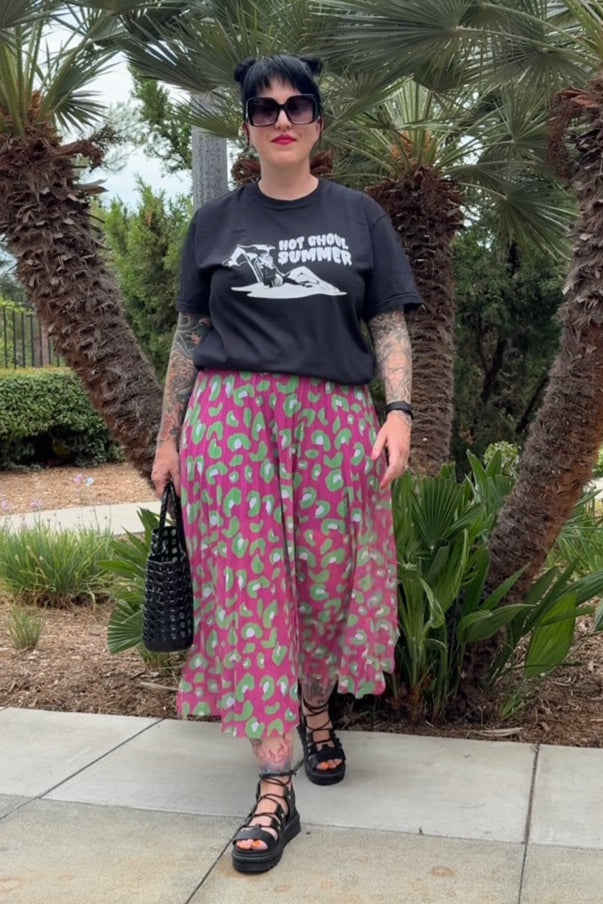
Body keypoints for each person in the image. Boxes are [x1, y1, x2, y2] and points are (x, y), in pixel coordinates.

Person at [151, 53, 421, 874]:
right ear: (246, 126)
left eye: (295, 105)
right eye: (263, 108)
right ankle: (275, 784)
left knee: (326, 583)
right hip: (230, 420)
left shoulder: (359, 215)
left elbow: (387, 323)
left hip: (334, 419)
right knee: (249, 589)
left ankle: (314, 708)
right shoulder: (214, 223)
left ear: (316, 122)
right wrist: (168, 437)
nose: (280, 119)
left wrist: (399, 411)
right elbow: (189, 335)